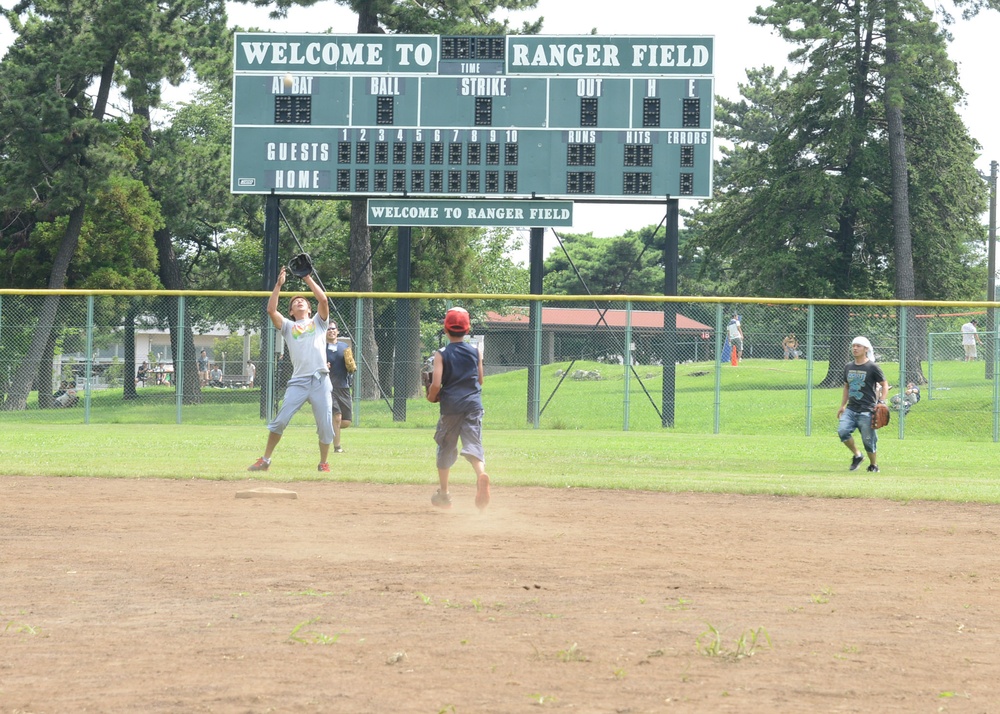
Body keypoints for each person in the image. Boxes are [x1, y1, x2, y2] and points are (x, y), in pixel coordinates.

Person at [248, 267, 334, 473]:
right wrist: (278, 285)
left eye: (302, 300)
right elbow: (271, 310)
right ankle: (265, 460)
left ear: (309, 309)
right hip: (299, 382)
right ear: (291, 311)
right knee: (280, 421)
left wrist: (306, 277)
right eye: (294, 301)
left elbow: (323, 301)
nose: (298, 301)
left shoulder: (319, 324)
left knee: (325, 425)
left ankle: (323, 463)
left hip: (320, 380)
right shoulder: (288, 326)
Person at [426, 306, 490, 512]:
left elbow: (436, 384)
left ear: (446, 329)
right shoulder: (475, 352)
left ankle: (444, 494)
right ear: (467, 329)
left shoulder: (441, 354)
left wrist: (431, 396)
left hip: (451, 407)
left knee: (445, 446)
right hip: (473, 405)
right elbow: (480, 380)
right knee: (473, 445)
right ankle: (481, 474)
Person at [837, 336, 889, 473]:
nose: (855, 348)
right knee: (842, 431)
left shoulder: (872, 367)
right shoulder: (848, 366)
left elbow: (884, 385)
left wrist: (882, 401)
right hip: (851, 408)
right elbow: (847, 387)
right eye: (854, 345)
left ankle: (873, 465)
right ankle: (858, 455)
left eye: (858, 346)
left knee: (868, 441)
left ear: (866, 349)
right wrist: (842, 405)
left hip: (867, 409)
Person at [325, 322, 353, 454]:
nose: (331, 331)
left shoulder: (344, 347)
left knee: (346, 422)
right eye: (328, 329)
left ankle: (327, 427)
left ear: (337, 331)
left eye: (333, 328)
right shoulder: (320, 347)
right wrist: (322, 365)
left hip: (343, 386)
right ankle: (337, 447)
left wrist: (352, 367)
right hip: (328, 387)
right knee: (337, 417)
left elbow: (350, 365)